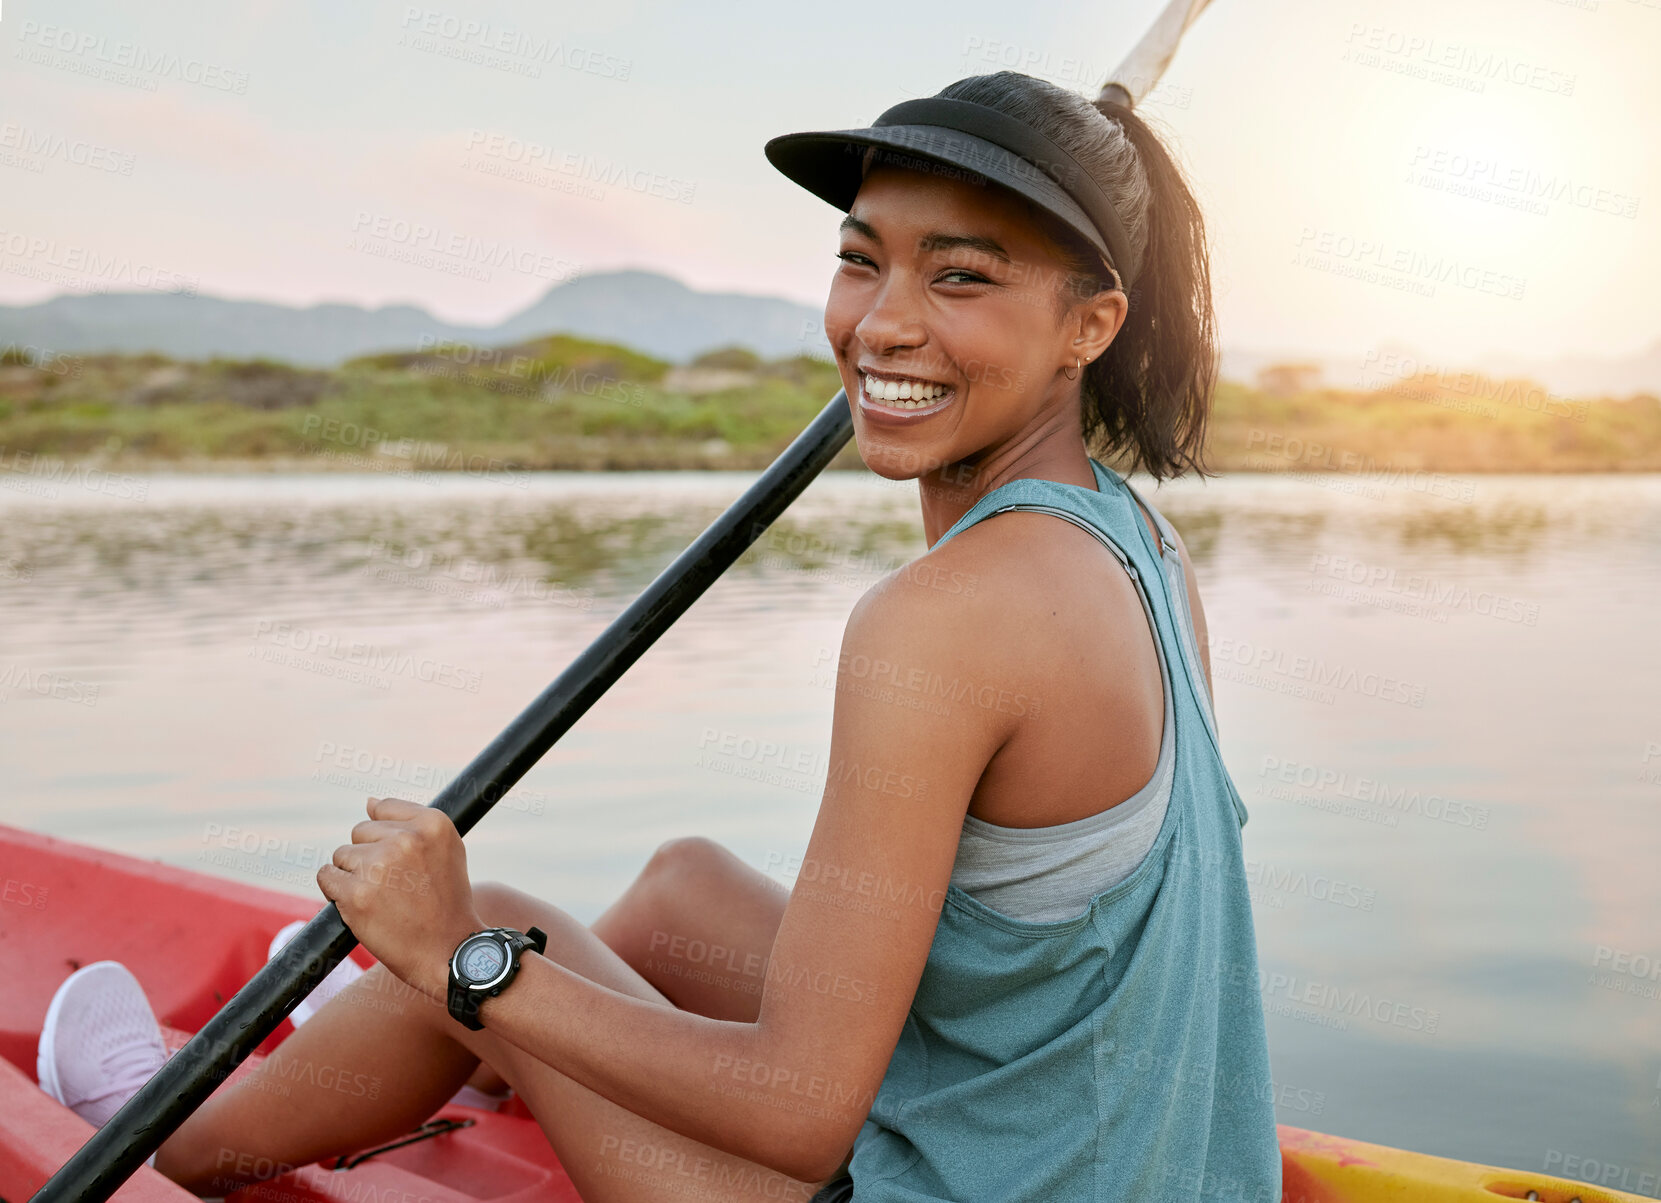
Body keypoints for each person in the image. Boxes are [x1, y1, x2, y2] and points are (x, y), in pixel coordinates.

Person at [36, 70, 1281, 1202]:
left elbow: (796, 1117)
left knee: (490, 935)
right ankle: (458, 1066)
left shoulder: (943, 622)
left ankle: (163, 1139)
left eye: (959, 277)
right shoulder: (1137, 543)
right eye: (863, 262)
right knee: (681, 880)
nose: (882, 324)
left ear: (1089, 326)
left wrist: (458, 964)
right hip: (1117, 1156)